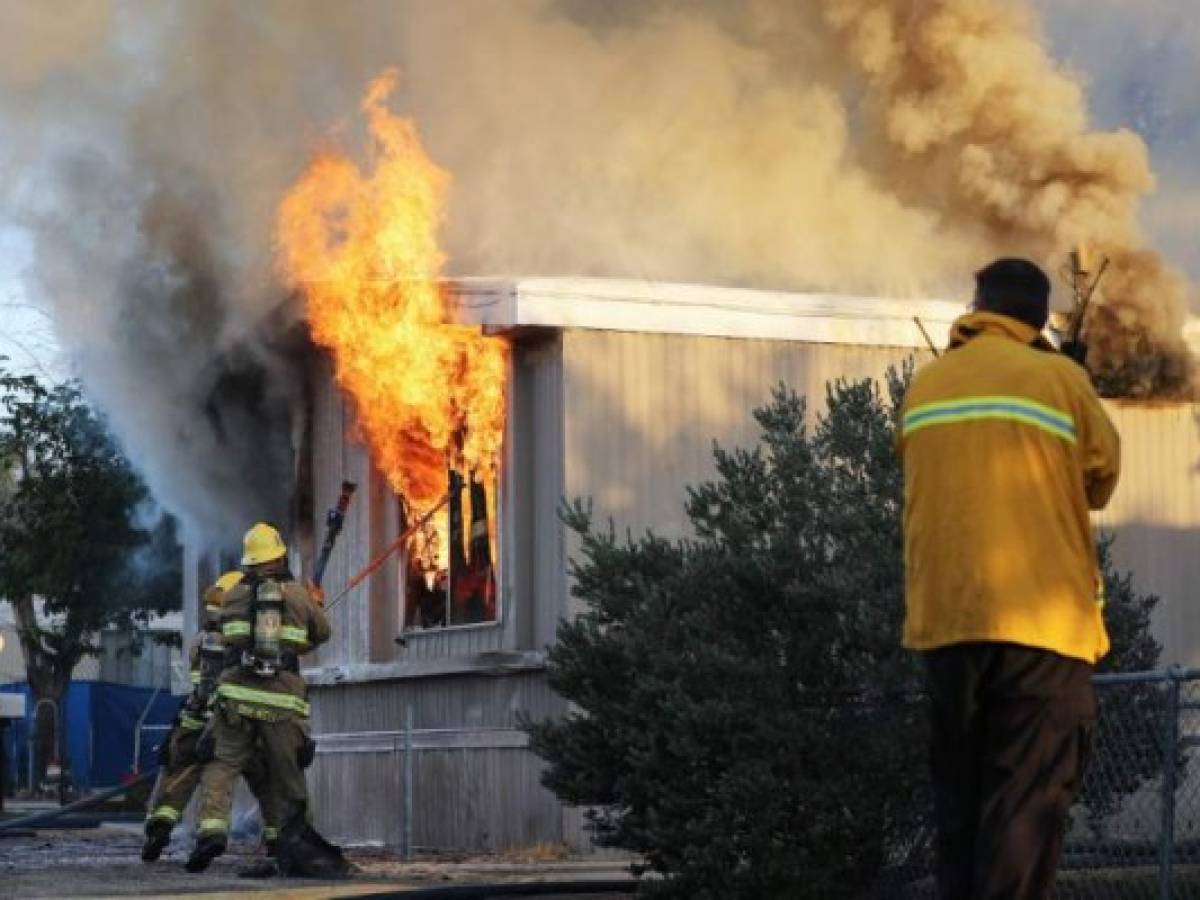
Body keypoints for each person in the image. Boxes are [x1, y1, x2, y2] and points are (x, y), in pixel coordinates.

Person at [896, 258, 1121, 898]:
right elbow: (1101, 479)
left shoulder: (927, 386)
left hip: (944, 623)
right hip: (1042, 625)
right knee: (1025, 800)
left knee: (959, 806)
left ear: (976, 308)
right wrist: (1069, 378)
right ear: (1036, 320)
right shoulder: (1059, 379)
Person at [186, 523, 330, 873]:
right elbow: (321, 634)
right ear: (280, 557)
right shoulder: (297, 595)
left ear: (249, 562)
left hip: (236, 695)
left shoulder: (234, 594)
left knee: (222, 765)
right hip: (281, 701)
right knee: (286, 774)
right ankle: (294, 842)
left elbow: (229, 641)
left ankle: (212, 832)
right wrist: (313, 608)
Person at [141, 572, 277, 861]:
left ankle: (159, 828)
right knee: (263, 779)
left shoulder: (201, 639)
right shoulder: (233, 639)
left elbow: (200, 684)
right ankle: (274, 837)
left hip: (193, 720)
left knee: (178, 777)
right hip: (228, 724)